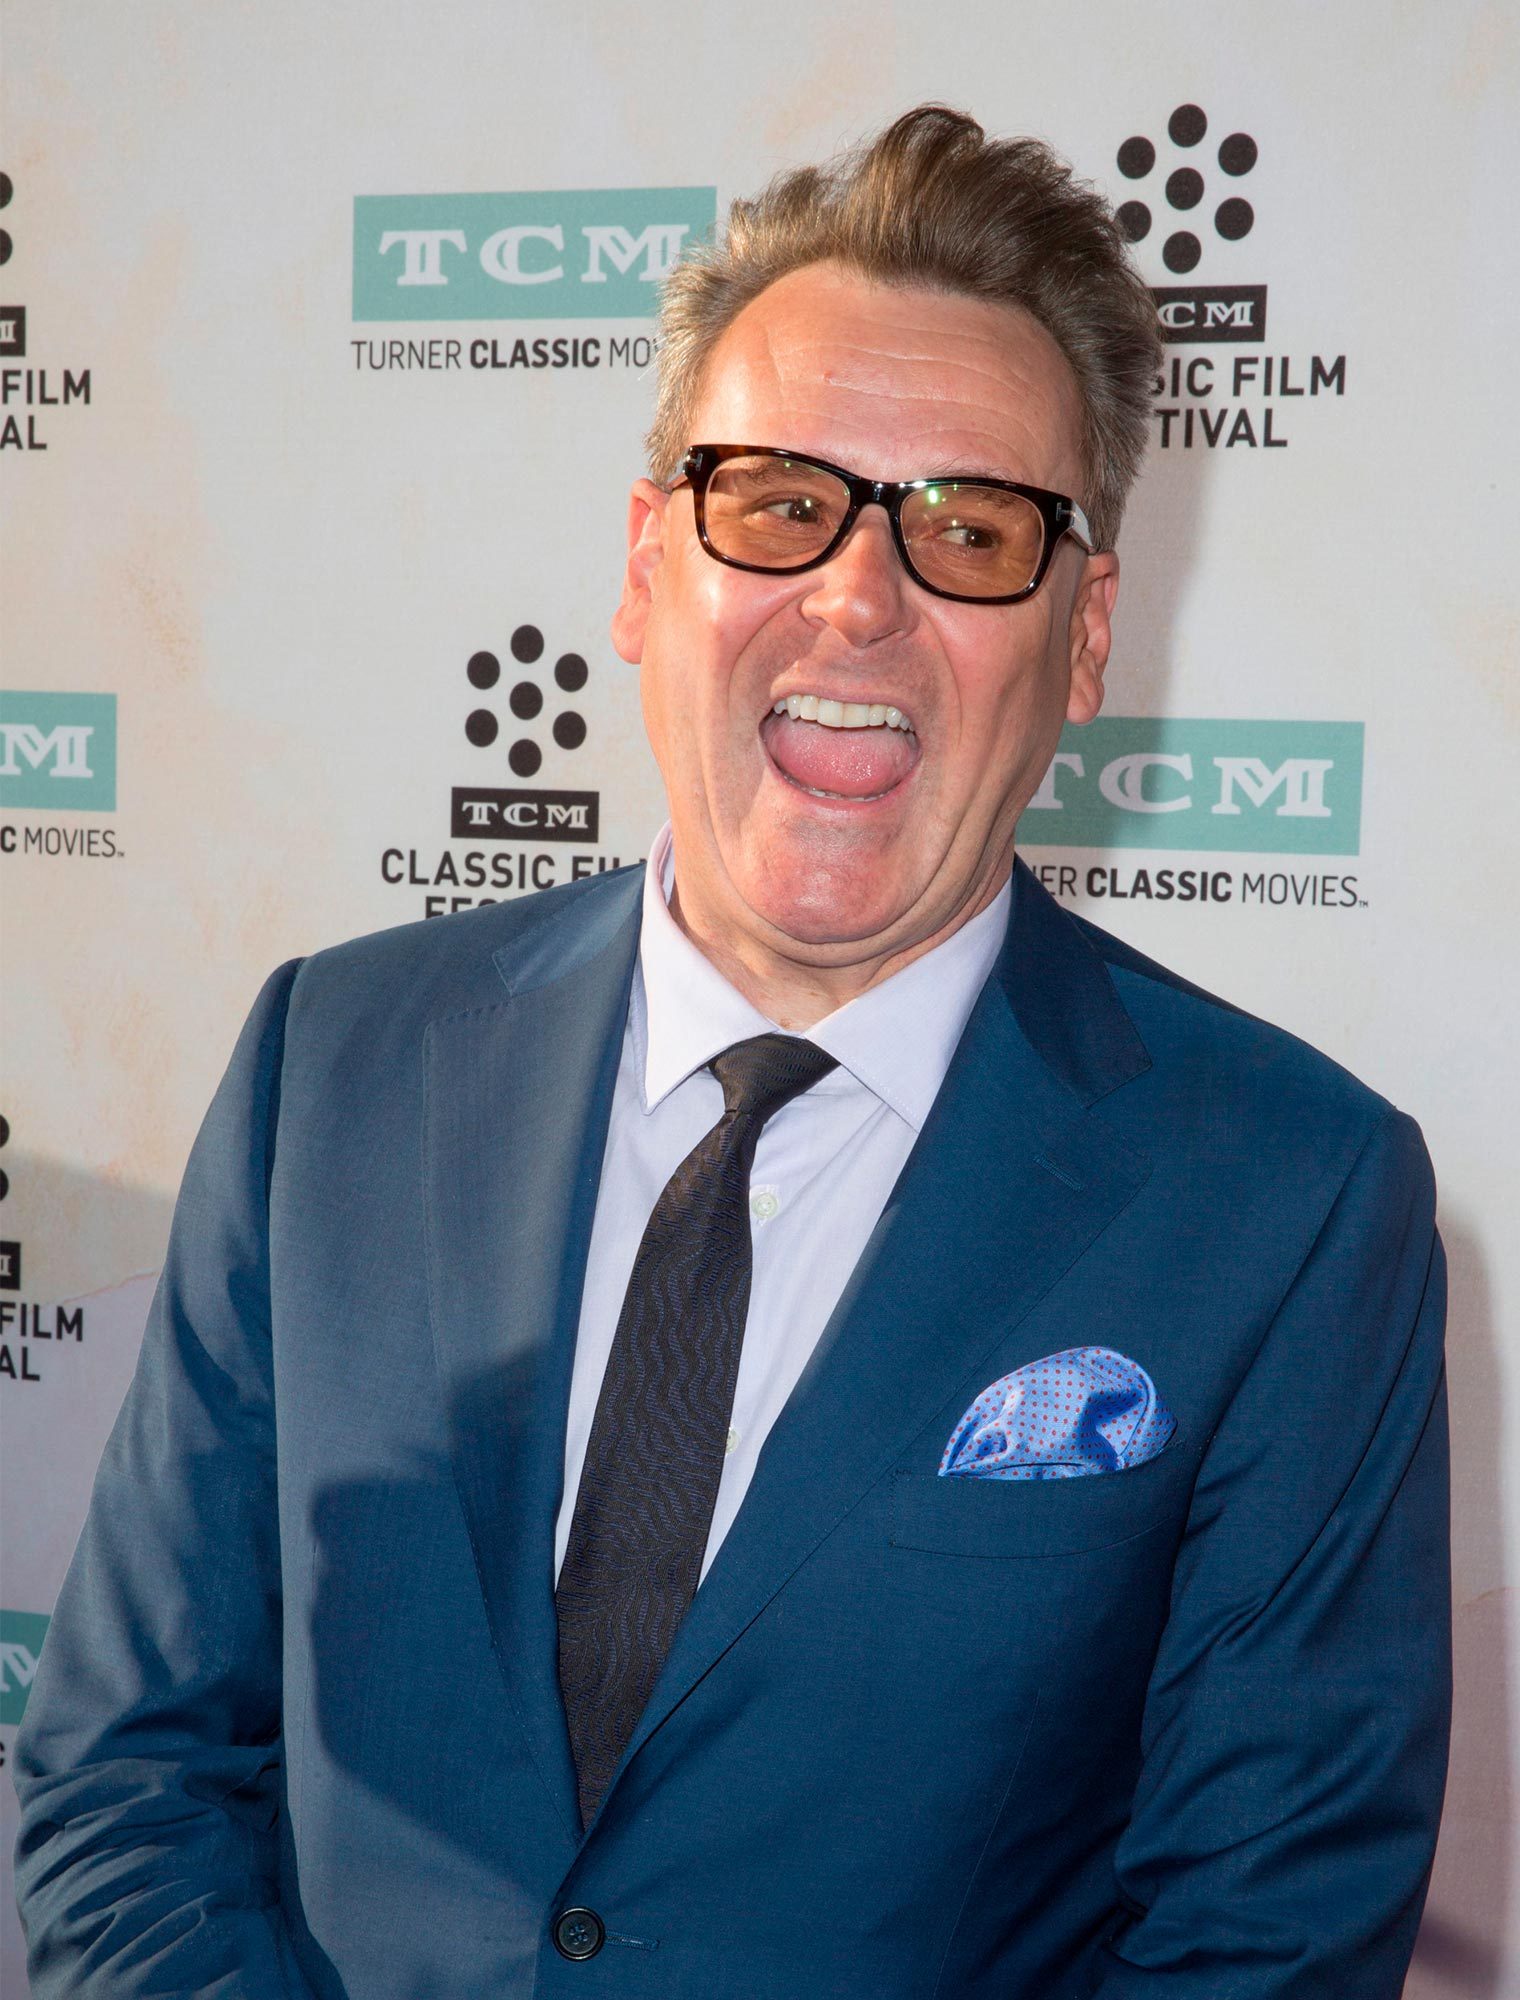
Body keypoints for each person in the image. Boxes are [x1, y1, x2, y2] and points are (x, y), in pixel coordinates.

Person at [14, 106, 1449, 1998]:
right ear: (642, 570)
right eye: (780, 503)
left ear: (1085, 637)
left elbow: (1258, 1947)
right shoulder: (330, 1067)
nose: (860, 596)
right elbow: (127, 1781)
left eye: (970, 529)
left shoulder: (1289, 1201)